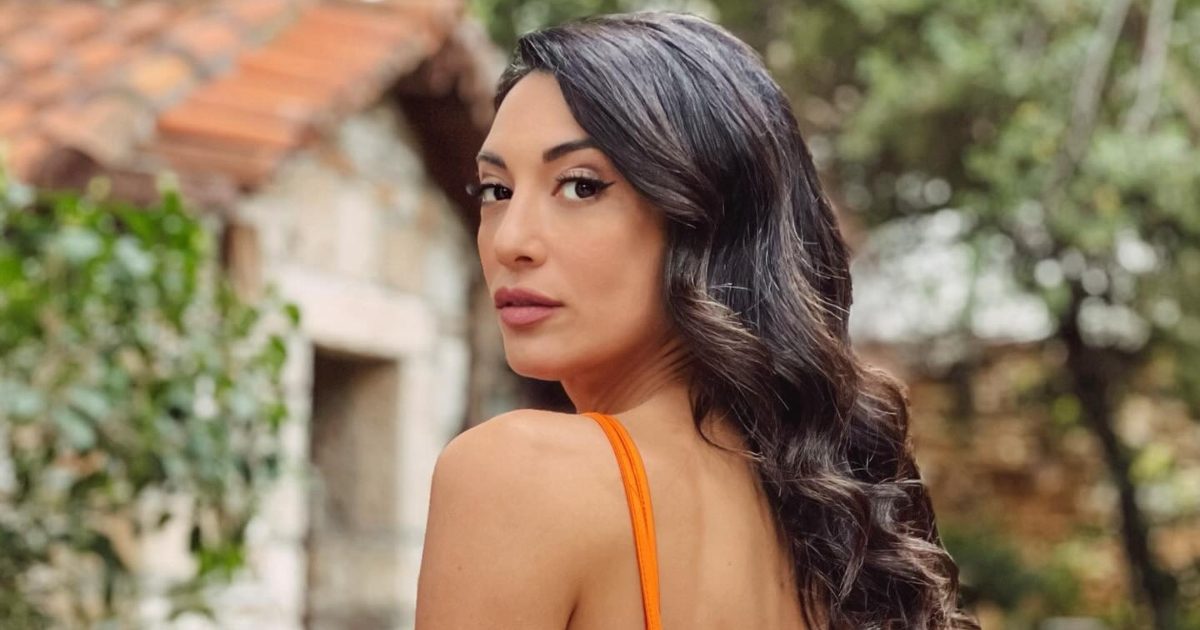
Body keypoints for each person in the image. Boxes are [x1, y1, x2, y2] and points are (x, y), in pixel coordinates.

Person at [414, 11, 980, 630]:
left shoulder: (520, 473)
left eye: (580, 186)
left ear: (705, 219)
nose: (510, 242)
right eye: (495, 191)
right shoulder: (826, 528)